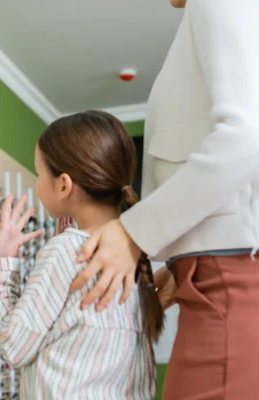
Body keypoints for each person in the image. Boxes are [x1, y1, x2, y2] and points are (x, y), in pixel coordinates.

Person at [70, 1, 259, 398]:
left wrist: (133, 233)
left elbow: (245, 138)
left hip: (231, 291)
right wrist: (178, 267)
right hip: (208, 287)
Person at [0, 111, 161, 398]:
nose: (38, 184)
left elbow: (14, 345)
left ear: (63, 184)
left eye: (39, 173)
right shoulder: (135, 256)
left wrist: (0, 264)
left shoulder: (66, 252)